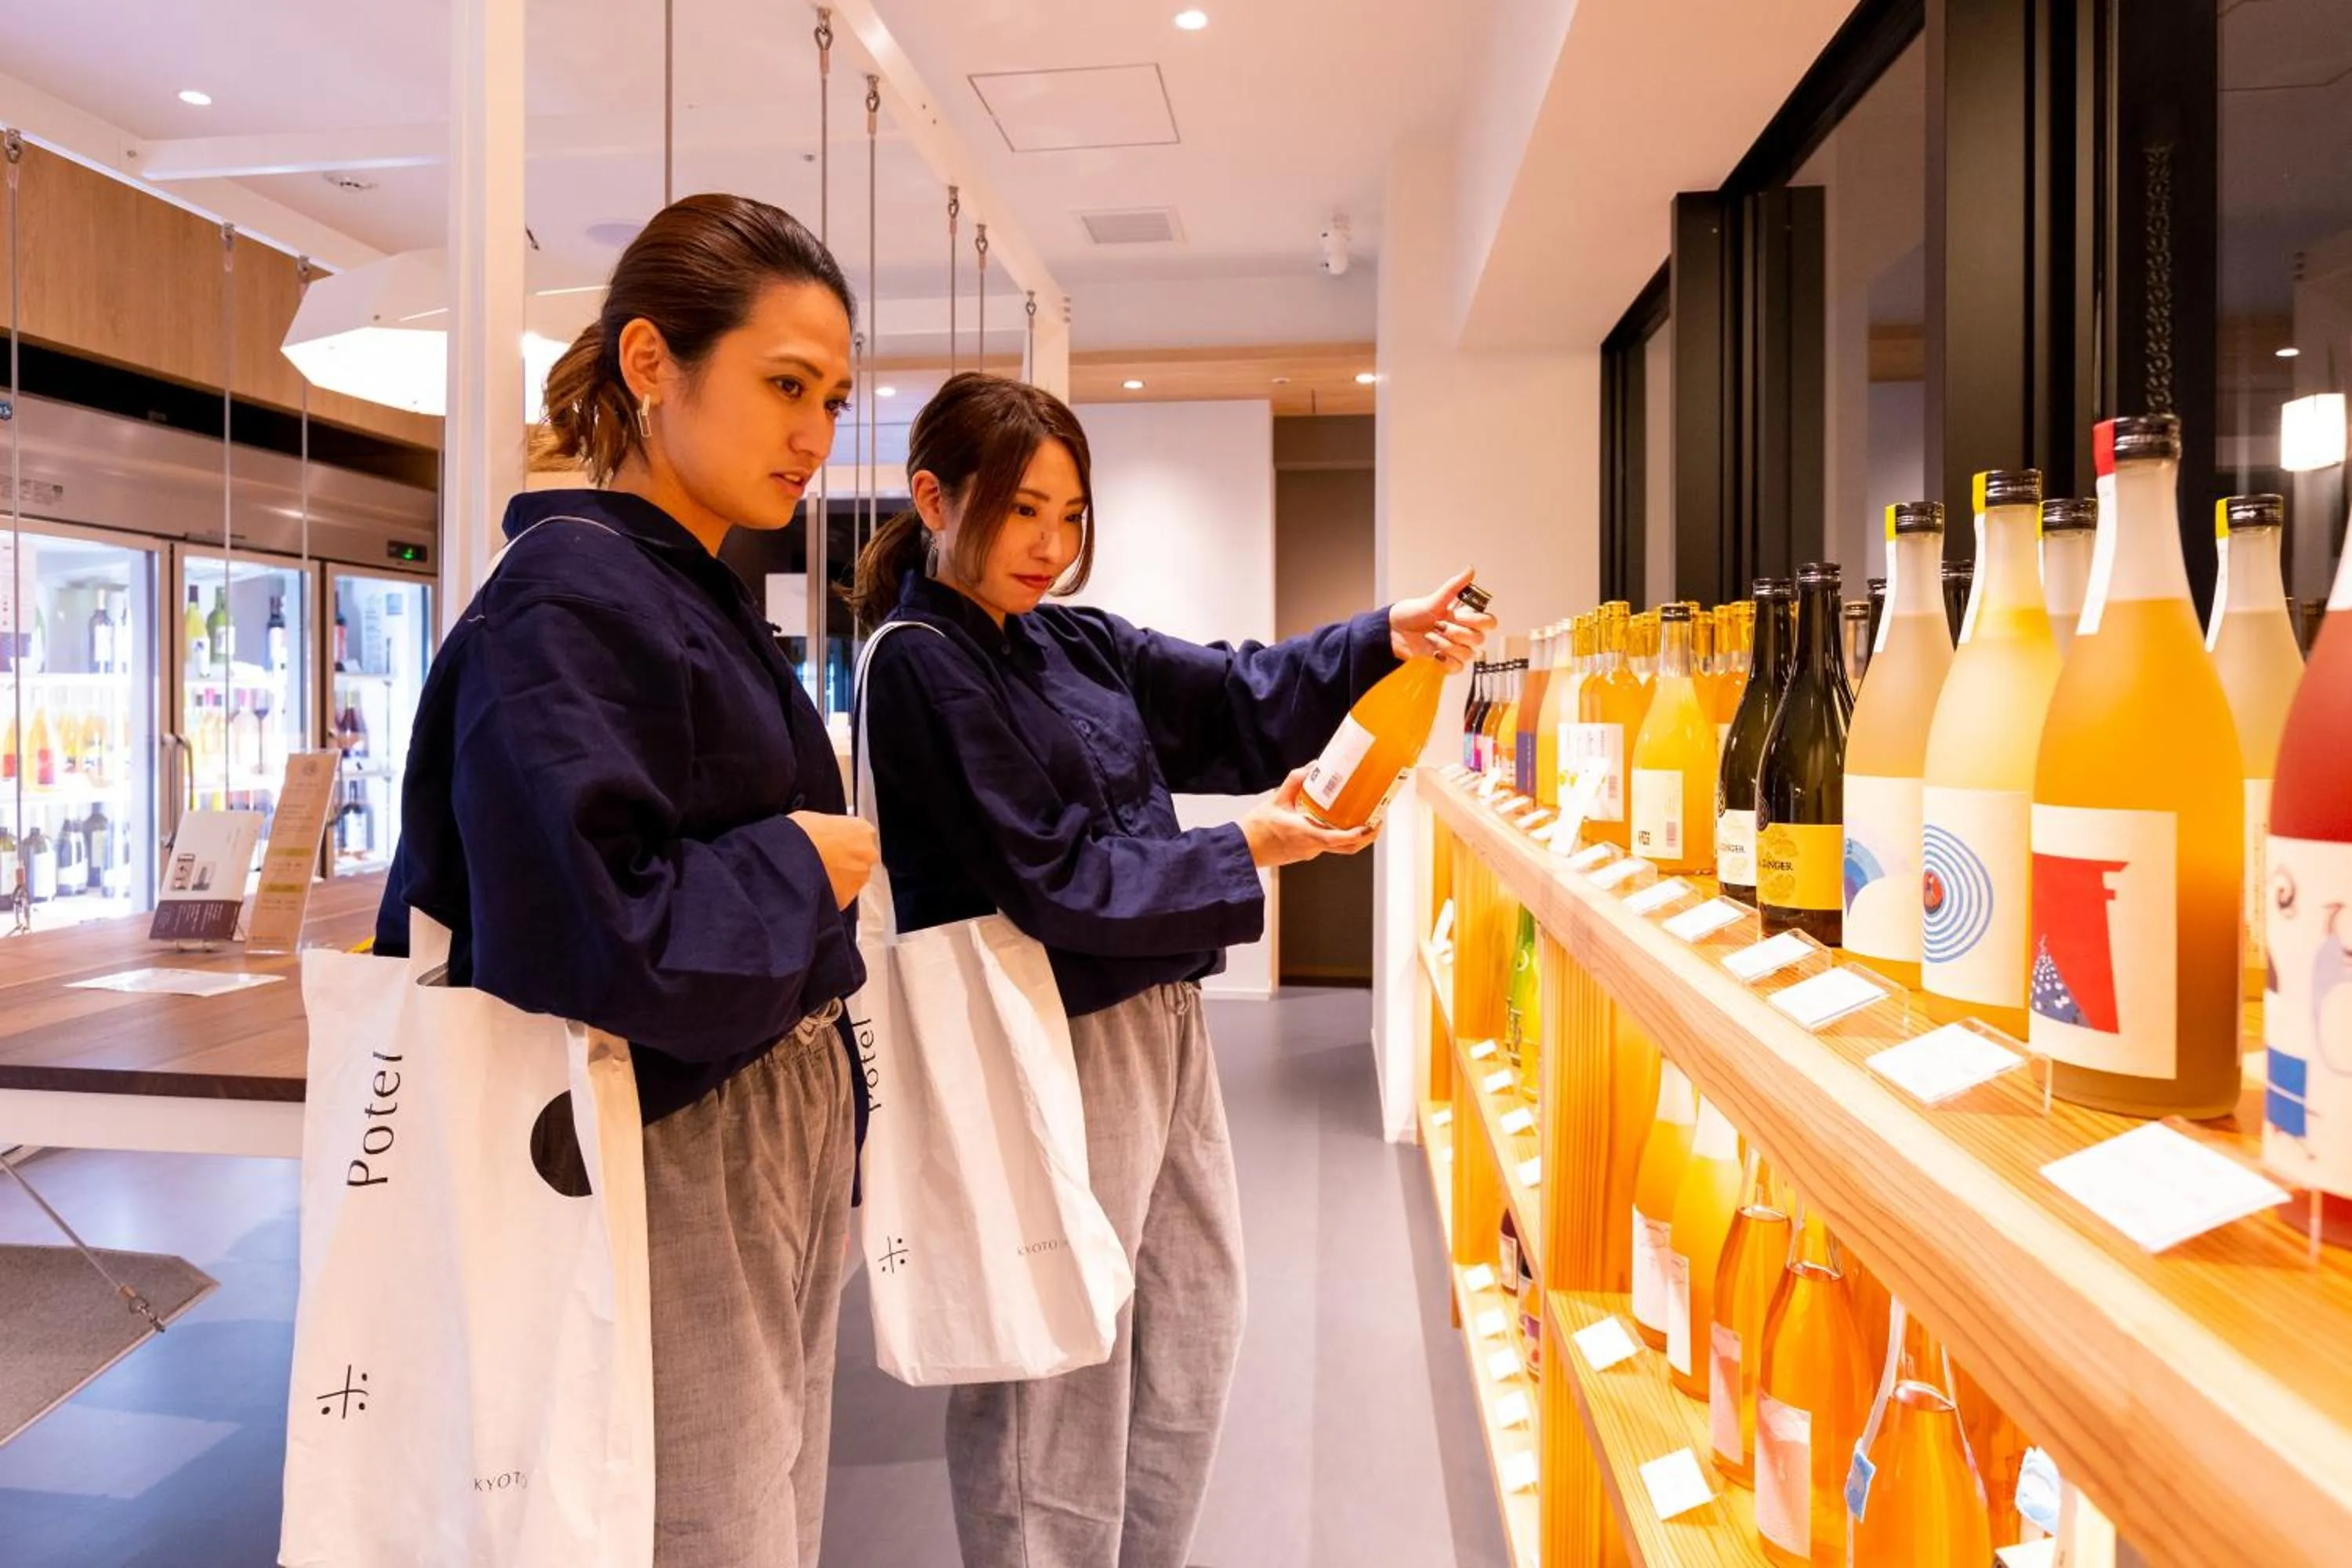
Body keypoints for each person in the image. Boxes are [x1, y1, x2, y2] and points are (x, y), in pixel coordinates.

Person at [845, 372, 1494, 1568]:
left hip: (1159, 1022)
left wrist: (1382, 639)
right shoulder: (918, 665)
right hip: (1043, 1041)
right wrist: (1254, 845)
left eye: (1070, 515)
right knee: (1056, 1364)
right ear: (935, 500)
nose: (1050, 545)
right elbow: (1054, 877)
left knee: (1192, 1327)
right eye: (1022, 511)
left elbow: (1236, 696)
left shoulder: (1072, 638)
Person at [376, 193, 877, 1568]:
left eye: (832, 401)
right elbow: (599, 929)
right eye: (786, 386)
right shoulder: (565, 599)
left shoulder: (676, 585)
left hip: (760, 1107)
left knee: (760, 1498)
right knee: (702, 1518)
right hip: (671, 1125)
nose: (815, 436)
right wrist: (799, 861)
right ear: (653, 363)